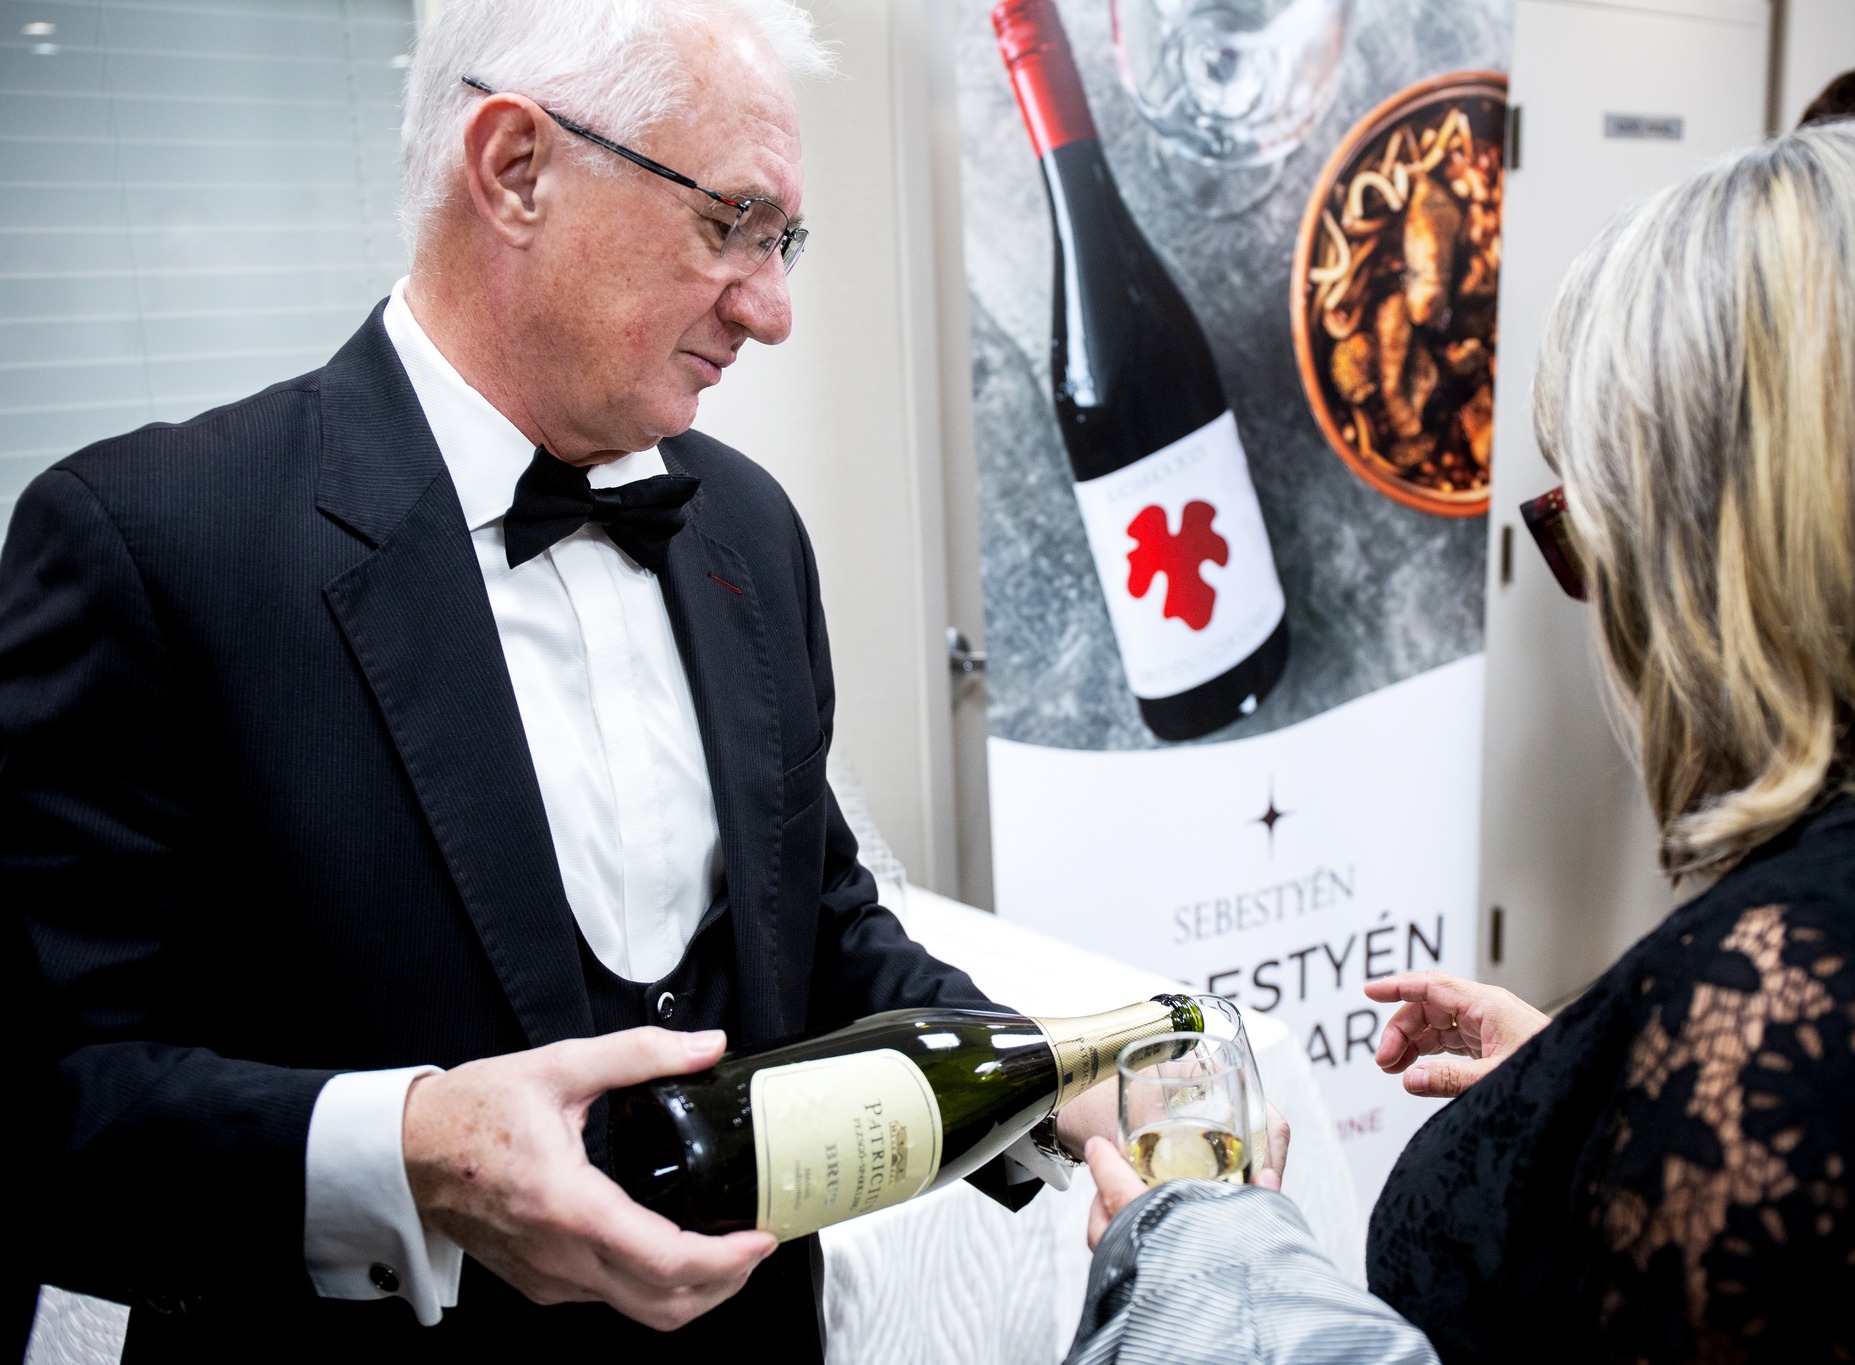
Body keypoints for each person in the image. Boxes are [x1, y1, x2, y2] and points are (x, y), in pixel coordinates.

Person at [1, 0, 1219, 1358]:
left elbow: (817, 931)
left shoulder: (747, 525)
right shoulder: (150, 543)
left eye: (785, 239)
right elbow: (58, 1111)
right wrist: (408, 1150)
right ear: (516, 168)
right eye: (731, 224)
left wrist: (1054, 1078)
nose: (772, 308)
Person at [1072, 114, 1855, 1364]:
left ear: (1722, 553)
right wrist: (1595, 1094)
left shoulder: (1805, 1025)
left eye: (1585, 531)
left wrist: (1209, 1262)